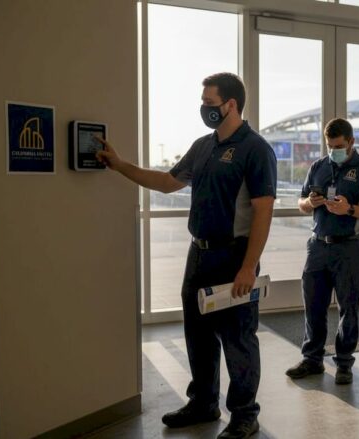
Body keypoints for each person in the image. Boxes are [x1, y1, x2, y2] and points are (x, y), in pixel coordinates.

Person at [96, 72, 276, 438]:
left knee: (238, 338)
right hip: (200, 255)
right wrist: (120, 165)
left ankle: (244, 413)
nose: (204, 109)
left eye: (210, 103)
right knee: (198, 333)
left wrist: (247, 267)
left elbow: (264, 210)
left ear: (231, 105)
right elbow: (167, 181)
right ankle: (204, 402)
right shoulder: (203, 146)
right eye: (203, 103)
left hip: (234, 256)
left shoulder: (256, 149)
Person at [285, 118, 359, 385]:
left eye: (338, 146)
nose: (333, 150)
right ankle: (312, 359)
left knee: (348, 307)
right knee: (314, 305)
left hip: (349, 247)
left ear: (351, 142)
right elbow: (301, 202)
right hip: (317, 245)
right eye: (329, 145)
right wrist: (310, 202)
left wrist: (350, 209)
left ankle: (344, 362)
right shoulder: (318, 166)